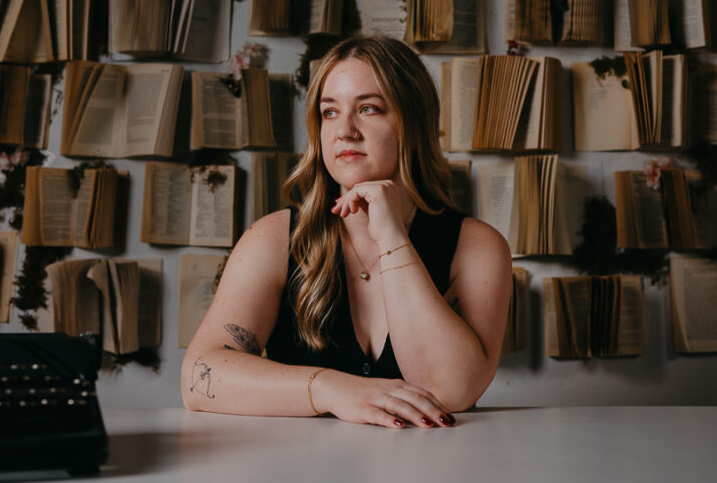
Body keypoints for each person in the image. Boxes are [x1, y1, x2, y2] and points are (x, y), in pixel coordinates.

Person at [182, 36, 511, 429]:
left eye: (369, 109)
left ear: (413, 121)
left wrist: (392, 239)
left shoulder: (476, 247)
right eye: (330, 112)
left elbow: (452, 391)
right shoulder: (272, 238)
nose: (345, 131)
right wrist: (330, 389)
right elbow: (197, 379)